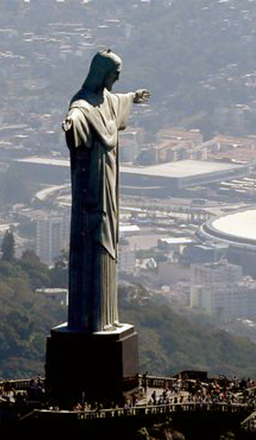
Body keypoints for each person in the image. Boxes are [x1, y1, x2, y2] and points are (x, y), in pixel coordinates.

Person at [62, 49, 150, 333]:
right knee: (93, 244)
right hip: (93, 190)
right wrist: (72, 124)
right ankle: (91, 320)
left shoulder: (107, 101)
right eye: (115, 73)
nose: (118, 77)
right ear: (102, 73)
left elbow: (117, 102)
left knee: (107, 241)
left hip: (109, 186)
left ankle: (107, 318)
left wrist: (133, 96)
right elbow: (76, 114)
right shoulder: (84, 105)